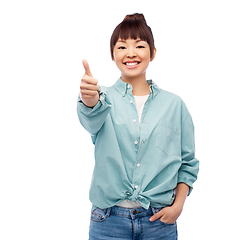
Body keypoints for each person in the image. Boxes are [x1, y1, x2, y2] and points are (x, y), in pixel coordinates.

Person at [77, 13, 199, 240]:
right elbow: (90, 117)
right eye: (122, 47)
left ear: (152, 53)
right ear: (113, 54)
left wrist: (178, 206)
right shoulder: (102, 97)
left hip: (159, 222)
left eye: (139, 46)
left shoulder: (174, 105)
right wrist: (89, 100)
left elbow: (187, 162)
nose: (131, 53)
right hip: (108, 221)